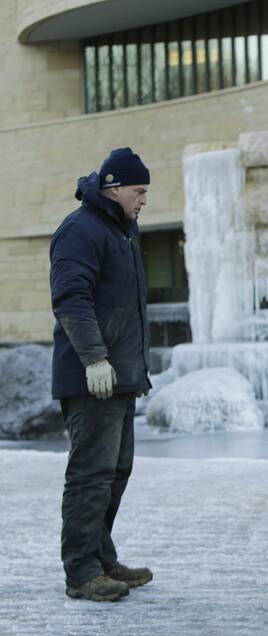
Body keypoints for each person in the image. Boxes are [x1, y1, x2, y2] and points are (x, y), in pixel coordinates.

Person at [49, 148, 154, 602]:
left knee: (116, 472)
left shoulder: (121, 231)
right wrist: (94, 358)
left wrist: (133, 371)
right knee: (91, 474)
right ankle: (81, 571)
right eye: (139, 191)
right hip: (91, 377)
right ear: (114, 188)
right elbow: (71, 297)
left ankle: (101, 556)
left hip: (121, 376)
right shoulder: (81, 230)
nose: (143, 200)